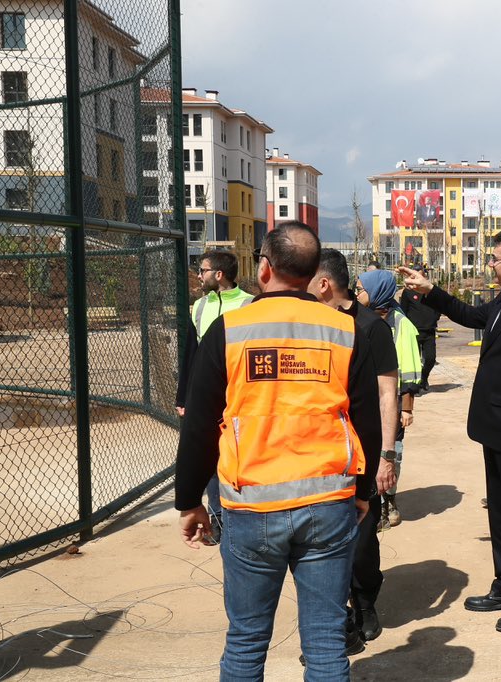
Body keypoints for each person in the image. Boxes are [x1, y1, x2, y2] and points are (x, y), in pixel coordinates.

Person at [174, 222, 371, 680]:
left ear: (264, 268)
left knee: (246, 640)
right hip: (328, 502)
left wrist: (189, 502)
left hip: (252, 505)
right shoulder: (345, 330)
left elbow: (201, 426)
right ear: (312, 272)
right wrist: (362, 490)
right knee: (325, 643)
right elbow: (363, 418)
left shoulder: (228, 330)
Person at [398, 228, 501, 633]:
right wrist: (430, 289)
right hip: (495, 426)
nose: (490, 263)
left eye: (496, 258)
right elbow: (472, 316)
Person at [309, 248, 399, 644]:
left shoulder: (370, 328)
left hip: (360, 453)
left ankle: (365, 602)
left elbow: (387, 393)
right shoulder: (307, 325)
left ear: (325, 283)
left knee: (362, 540)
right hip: (316, 454)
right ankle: (337, 612)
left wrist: (386, 455)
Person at [174, 249, 254, 539]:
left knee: (236, 452)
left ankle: (240, 512)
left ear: (218, 274)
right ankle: (218, 519)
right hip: (207, 396)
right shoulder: (199, 306)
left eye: (203, 270)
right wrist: (184, 397)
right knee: (207, 452)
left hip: (239, 396)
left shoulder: (249, 304)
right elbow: (190, 355)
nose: (199, 275)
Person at [356, 269, 423, 529]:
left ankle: (388, 503)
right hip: (368, 400)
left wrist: (406, 408)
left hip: (391, 401)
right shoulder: (361, 318)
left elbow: (409, 366)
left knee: (391, 453)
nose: (357, 292)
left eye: (361, 288)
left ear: (377, 291)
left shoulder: (400, 323)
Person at [400, 269, 441, 391]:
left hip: (429, 330)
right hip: (414, 331)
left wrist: (435, 318)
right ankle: (415, 386)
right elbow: (403, 310)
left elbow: (439, 306)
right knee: (415, 361)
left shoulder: (431, 291)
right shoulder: (407, 293)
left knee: (430, 358)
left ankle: (424, 377)